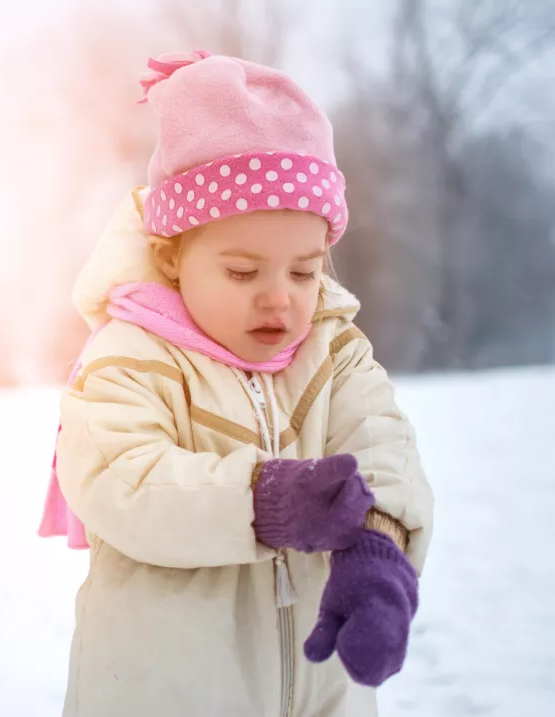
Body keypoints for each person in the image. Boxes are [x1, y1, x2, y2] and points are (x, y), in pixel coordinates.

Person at [39, 50, 434, 716]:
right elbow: (121, 479)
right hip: (163, 695)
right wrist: (264, 500)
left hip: (319, 693)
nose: (279, 301)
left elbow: (382, 445)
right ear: (171, 253)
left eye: (304, 272)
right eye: (244, 273)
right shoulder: (129, 357)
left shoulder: (333, 352)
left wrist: (377, 548)